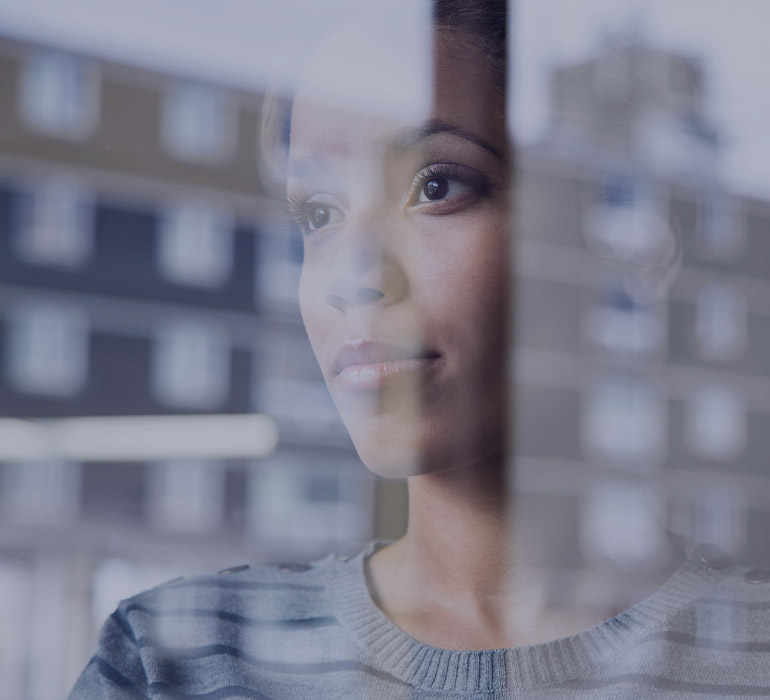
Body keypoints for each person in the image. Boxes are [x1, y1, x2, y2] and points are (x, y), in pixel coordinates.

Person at [69, 1, 770, 698]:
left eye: (435, 186)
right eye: (320, 213)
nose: (353, 276)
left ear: (624, 236)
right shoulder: (171, 661)